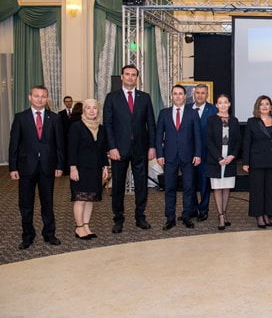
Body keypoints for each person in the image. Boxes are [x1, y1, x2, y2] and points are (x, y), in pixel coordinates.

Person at [9, 85, 64, 249]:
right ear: (30, 97)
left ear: (47, 99)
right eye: (36, 96)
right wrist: (13, 167)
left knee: (48, 202)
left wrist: (60, 165)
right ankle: (27, 236)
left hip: (48, 167)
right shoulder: (21, 117)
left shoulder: (55, 118)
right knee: (25, 204)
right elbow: (14, 144)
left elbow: (60, 144)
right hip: (26, 167)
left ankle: (49, 234)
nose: (40, 99)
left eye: (43, 96)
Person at [103, 64, 156, 234]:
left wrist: (152, 146)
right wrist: (111, 147)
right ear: (122, 77)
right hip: (119, 150)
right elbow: (108, 125)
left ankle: (140, 217)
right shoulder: (111, 97)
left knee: (141, 185)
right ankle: (118, 219)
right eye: (127, 74)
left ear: (137, 78)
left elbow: (151, 124)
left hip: (141, 149)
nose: (130, 77)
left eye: (134, 75)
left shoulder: (145, 98)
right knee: (118, 185)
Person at [155, 85, 202, 230]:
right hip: (169, 157)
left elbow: (197, 136)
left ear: (185, 96)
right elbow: (158, 136)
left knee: (188, 188)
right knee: (169, 188)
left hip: (188, 156)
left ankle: (186, 216)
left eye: (180, 94)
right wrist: (159, 154)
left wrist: (198, 154)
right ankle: (170, 218)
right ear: (171, 96)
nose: (177, 96)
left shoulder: (192, 113)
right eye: (175, 93)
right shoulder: (164, 113)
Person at [68, 99, 109, 240]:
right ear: (83, 110)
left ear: (98, 110)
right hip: (80, 168)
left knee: (90, 198)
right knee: (80, 199)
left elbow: (102, 149)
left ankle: (86, 225)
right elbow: (72, 149)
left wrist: (105, 166)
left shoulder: (101, 128)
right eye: (88, 108)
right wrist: (73, 168)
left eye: (94, 108)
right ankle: (79, 227)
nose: (92, 111)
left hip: (96, 169)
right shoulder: (76, 126)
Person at [243, 95, 272, 229]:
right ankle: (259, 215)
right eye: (261, 104)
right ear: (257, 107)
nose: (264, 106)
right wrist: (245, 162)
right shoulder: (252, 122)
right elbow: (247, 142)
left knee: (270, 190)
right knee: (257, 190)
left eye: (267, 104)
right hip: (256, 161)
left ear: (271, 107)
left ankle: (267, 214)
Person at [206, 94, 240, 230]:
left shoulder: (234, 120)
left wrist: (232, 155)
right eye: (220, 103)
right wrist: (218, 158)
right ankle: (220, 215)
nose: (223, 105)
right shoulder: (211, 120)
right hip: (216, 159)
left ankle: (224, 212)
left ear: (229, 104)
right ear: (216, 105)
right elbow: (208, 140)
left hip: (229, 158)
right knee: (217, 187)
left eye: (225, 102)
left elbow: (238, 141)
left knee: (226, 187)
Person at [186, 83, 218, 222]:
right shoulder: (186, 108)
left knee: (204, 183)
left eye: (203, 93)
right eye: (197, 93)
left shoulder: (213, 110)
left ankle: (203, 210)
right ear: (194, 94)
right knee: (189, 182)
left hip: (206, 153)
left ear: (207, 95)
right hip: (188, 152)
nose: (200, 95)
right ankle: (192, 209)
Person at [58, 95, 74, 175]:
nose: (68, 103)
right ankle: (66, 170)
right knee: (65, 154)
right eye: (67, 102)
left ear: (72, 102)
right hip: (64, 139)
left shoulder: (77, 113)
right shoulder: (60, 114)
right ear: (64, 103)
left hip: (74, 138)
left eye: (70, 101)